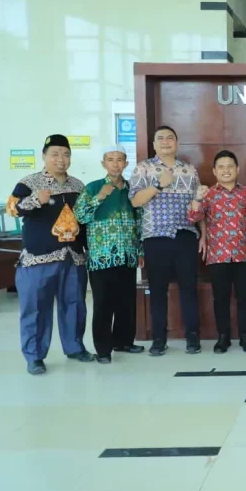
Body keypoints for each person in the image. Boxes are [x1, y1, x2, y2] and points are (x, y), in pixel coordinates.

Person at [5, 134, 94, 374]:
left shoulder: (78, 185)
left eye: (65, 154)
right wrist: (36, 199)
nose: (61, 159)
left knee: (75, 304)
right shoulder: (29, 182)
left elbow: (84, 220)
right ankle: (34, 356)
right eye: (54, 154)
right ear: (44, 156)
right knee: (36, 308)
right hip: (39, 257)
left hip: (73, 256)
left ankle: (75, 347)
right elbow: (12, 208)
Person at [129, 125, 203, 356]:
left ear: (177, 143)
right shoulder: (143, 168)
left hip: (185, 236)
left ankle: (193, 337)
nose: (165, 141)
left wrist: (204, 235)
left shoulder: (189, 170)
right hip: (156, 236)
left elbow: (198, 205)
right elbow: (135, 201)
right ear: (153, 144)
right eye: (160, 138)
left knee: (189, 289)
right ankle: (159, 339)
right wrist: (159, 184)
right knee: (158, 290)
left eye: (170, 138)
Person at [74, 145, 145, 364]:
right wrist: (99, 198)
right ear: (103, 163)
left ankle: (124, 341)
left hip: (127, 255)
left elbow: (140, 221)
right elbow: (80, 216)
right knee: (104, 303)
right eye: (110, 159)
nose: (115, 163)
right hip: (102, 257)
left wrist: (140, 250)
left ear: (125, 163)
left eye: (120, 159)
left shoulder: (131, 190)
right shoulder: (93, 187)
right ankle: (103, 349)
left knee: (126, 301)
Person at [187, 150, 246, 354]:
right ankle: (223, 337)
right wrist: (197, 198)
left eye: (230, 166)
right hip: (218, 255)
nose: (226, 170)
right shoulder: (208, 194)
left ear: (237, 169)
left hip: (244, 254)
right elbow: (193, 217)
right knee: (220, 298)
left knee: (245, 297)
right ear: (214, 171)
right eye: (221, 167)